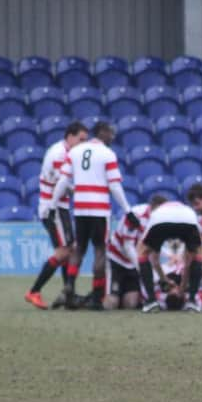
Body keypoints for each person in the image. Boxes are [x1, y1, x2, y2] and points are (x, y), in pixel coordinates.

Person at [44, 122, 140, 310]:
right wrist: (128, 210)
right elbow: (114, 186)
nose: (112, 137)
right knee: (99, 250)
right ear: (103, 133)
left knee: (79, 248)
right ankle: (97, 296)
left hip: (80, 207)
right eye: (110, 133)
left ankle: (70, 283)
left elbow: (63, 181)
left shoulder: (75, 152)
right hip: (99, 209)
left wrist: (53, 204)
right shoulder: (107, 154)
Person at [25, 121, 88, 310]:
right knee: (65, 251)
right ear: (70, 136)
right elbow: (63, 185)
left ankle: (68, 294)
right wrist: (82, 191)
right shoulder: (60, 154)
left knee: (68, 251)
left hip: (57, 208)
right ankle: (34, 291)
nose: (83, 144)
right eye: (81, 139)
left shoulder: (63, 151)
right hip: (54, 209)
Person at [136, 196, 202, 313]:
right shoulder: (185, 208)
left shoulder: (157, 212)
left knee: (142, 253)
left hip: (161, 219)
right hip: (188, 218)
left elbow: (154, 261)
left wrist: (164, 279)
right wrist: (182, 286)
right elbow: (188, 264)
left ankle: (151, 301)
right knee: (197, 254)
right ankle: (192, 302)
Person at [102, 203, 151, 310]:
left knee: (131, 304)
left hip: (132, 264)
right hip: (116, 260)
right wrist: (142, 267)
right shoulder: (136, 215)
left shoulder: (157, 221)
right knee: (111, 304)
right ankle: (93, 297)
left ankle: (119, 294)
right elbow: (127, 246)